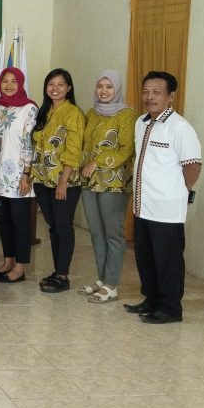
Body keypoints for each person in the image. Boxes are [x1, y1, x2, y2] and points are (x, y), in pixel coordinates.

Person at [124, 71, 201, 324]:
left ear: (171, 96)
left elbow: (193, 166)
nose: (150, 97)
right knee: (145, 257)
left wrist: (180, 190)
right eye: (146, 91)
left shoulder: (180, 127)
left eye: (156, 92)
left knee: (168, 260)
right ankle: (152, 299)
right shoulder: (141, 122)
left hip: (166, 209)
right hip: (142, 205)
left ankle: (170, 308)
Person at [78, 70, 136, 304]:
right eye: (100, 86)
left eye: (109, 87)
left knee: (113, 234)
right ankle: (102, 280)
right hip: (89, 181)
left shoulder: (127, 114)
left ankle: (112, 285)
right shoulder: (92, 112)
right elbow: (85, 145)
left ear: (117, 89)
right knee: (96, 232)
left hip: (114, 183)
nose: (104, 91)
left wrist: (97, 162)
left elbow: (126, 149)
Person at [30, 68, 85, 294]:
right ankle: (57, 271)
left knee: (63, 227)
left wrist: (63, 181)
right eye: (51, 84)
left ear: (69, 88)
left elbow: (74, 149)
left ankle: (63, 276)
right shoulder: (44, 112)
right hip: (42, 180)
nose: (55, 88)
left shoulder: (73, 113)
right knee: (53, 227)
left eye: (60, 84)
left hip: (64, 182)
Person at [0, 68, 38, 283]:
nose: (9, 85)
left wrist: (26, 174)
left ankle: (20, 267)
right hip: (0, 176)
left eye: (13, 81)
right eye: (5, 81)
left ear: (21, 83)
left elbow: (29, 143)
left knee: (20, 223)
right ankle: (8, 261)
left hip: (19, 176)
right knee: (5, 222)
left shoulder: (29, 108)